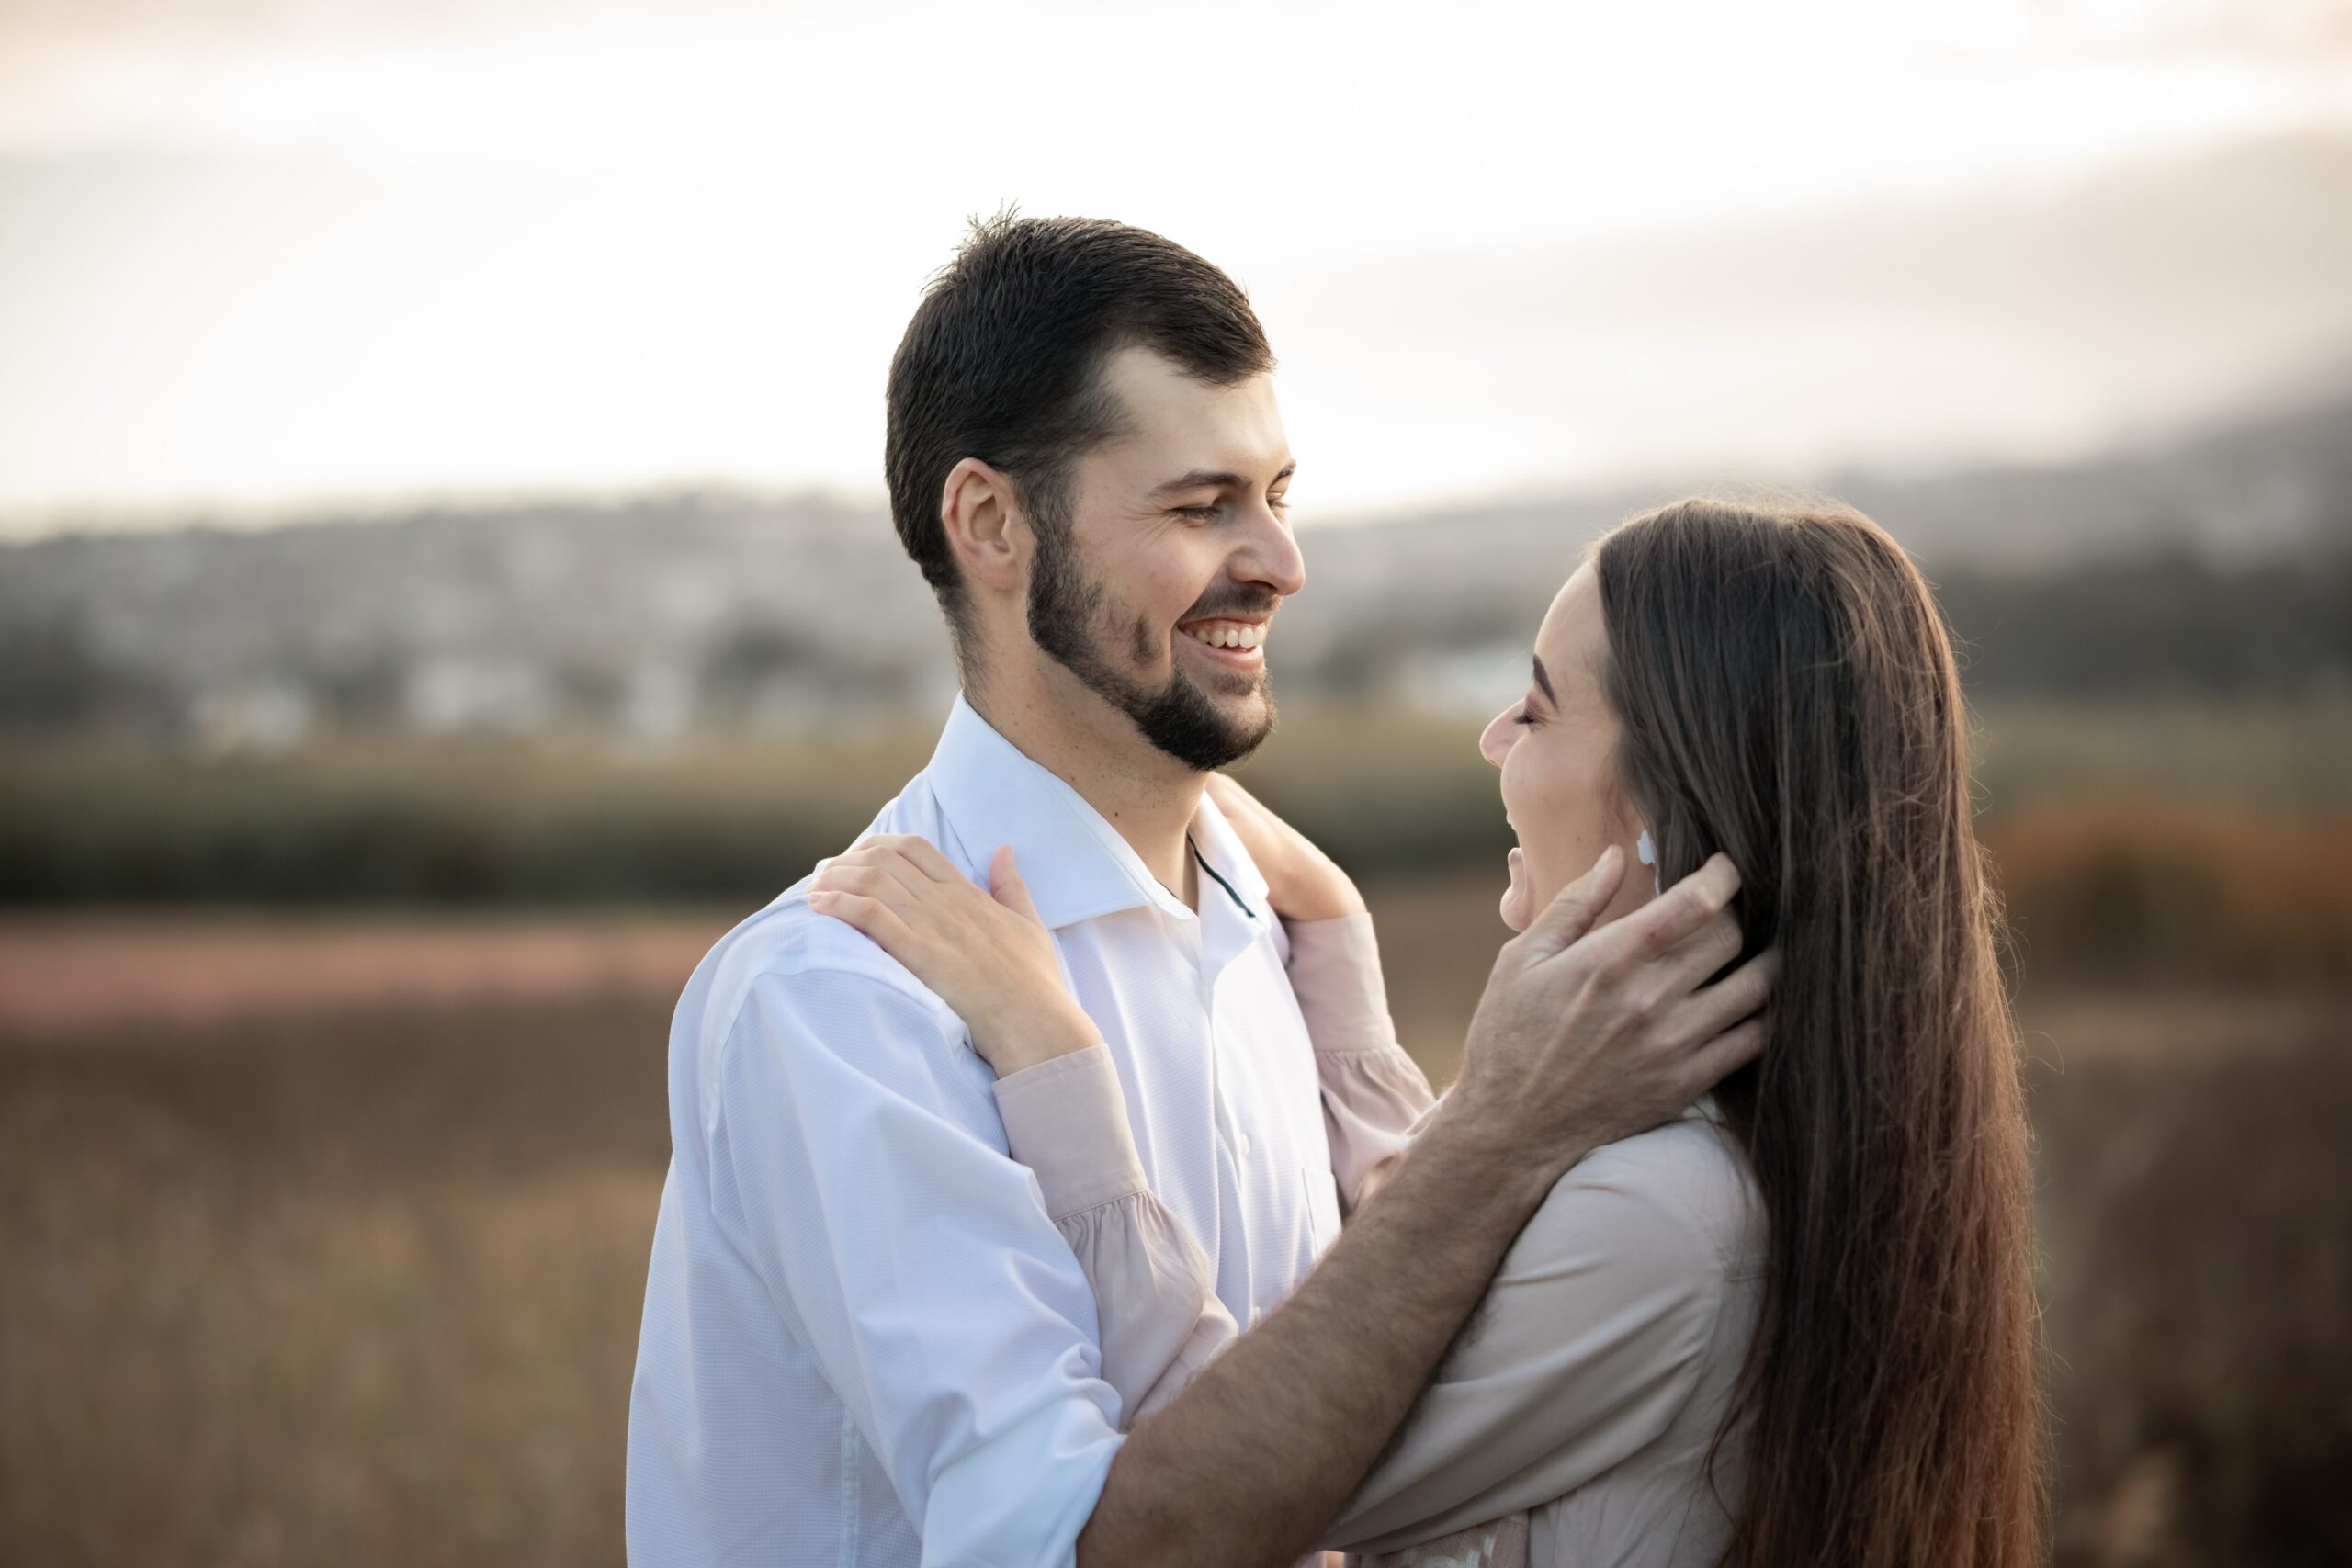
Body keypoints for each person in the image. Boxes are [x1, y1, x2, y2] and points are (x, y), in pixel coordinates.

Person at [624, 215, 1772, 1567]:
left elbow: (1362, 1403)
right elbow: (1067, 1546)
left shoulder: (1276, 939)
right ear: (992, 525)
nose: (1280, 561)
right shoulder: (841, 1000)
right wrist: (1500, 1132)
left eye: (1278, 493)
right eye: (1199, 505)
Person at [817, 498, 2047, 1567]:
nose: (1492, 740)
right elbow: (1405, 1288)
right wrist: (1341, 964)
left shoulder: (1673, 1223)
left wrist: (1053, 1052)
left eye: (1537, 709)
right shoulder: (1687, 1149)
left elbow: (1210, 1497)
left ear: (1678, 802)